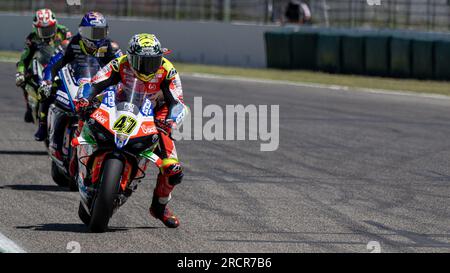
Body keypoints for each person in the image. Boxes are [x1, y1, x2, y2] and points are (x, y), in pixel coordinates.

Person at [77, 33, 188, 228]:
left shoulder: (168, 71)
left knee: (173, 169)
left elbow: (177, 103)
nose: (147, 67)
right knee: (86, 115)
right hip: (122, 104)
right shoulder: (119, 63)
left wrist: (170, 120)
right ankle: (77, 163)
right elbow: (95, 83)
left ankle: (159, 207)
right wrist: (85, 98)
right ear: (130, 57)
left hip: (155, 114)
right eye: (141, 61)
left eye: (152, 61)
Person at [35, 11, 121, 141]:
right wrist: (46, 81)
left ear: (105, 32)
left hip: (99, 84)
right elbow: (54, 64)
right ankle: (42, 124)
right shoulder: (71, 43)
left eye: (98, 33)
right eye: (89, 32)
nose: (94, 38)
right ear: (81, 31)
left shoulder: (111, 47)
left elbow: (124, 67)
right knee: (49, 91)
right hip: (74, 79)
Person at [15, 8, 72, 123]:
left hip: (60, 62)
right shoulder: (32, 38)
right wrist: (20, 73)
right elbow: (24, 58)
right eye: (43, 30)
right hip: (42, 63)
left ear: (55, 25)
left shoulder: (64, 32)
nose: (47, 33)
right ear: (36, 29)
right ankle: (28, 106)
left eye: (50, 28)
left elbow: (72, 50)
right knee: (24, 78)